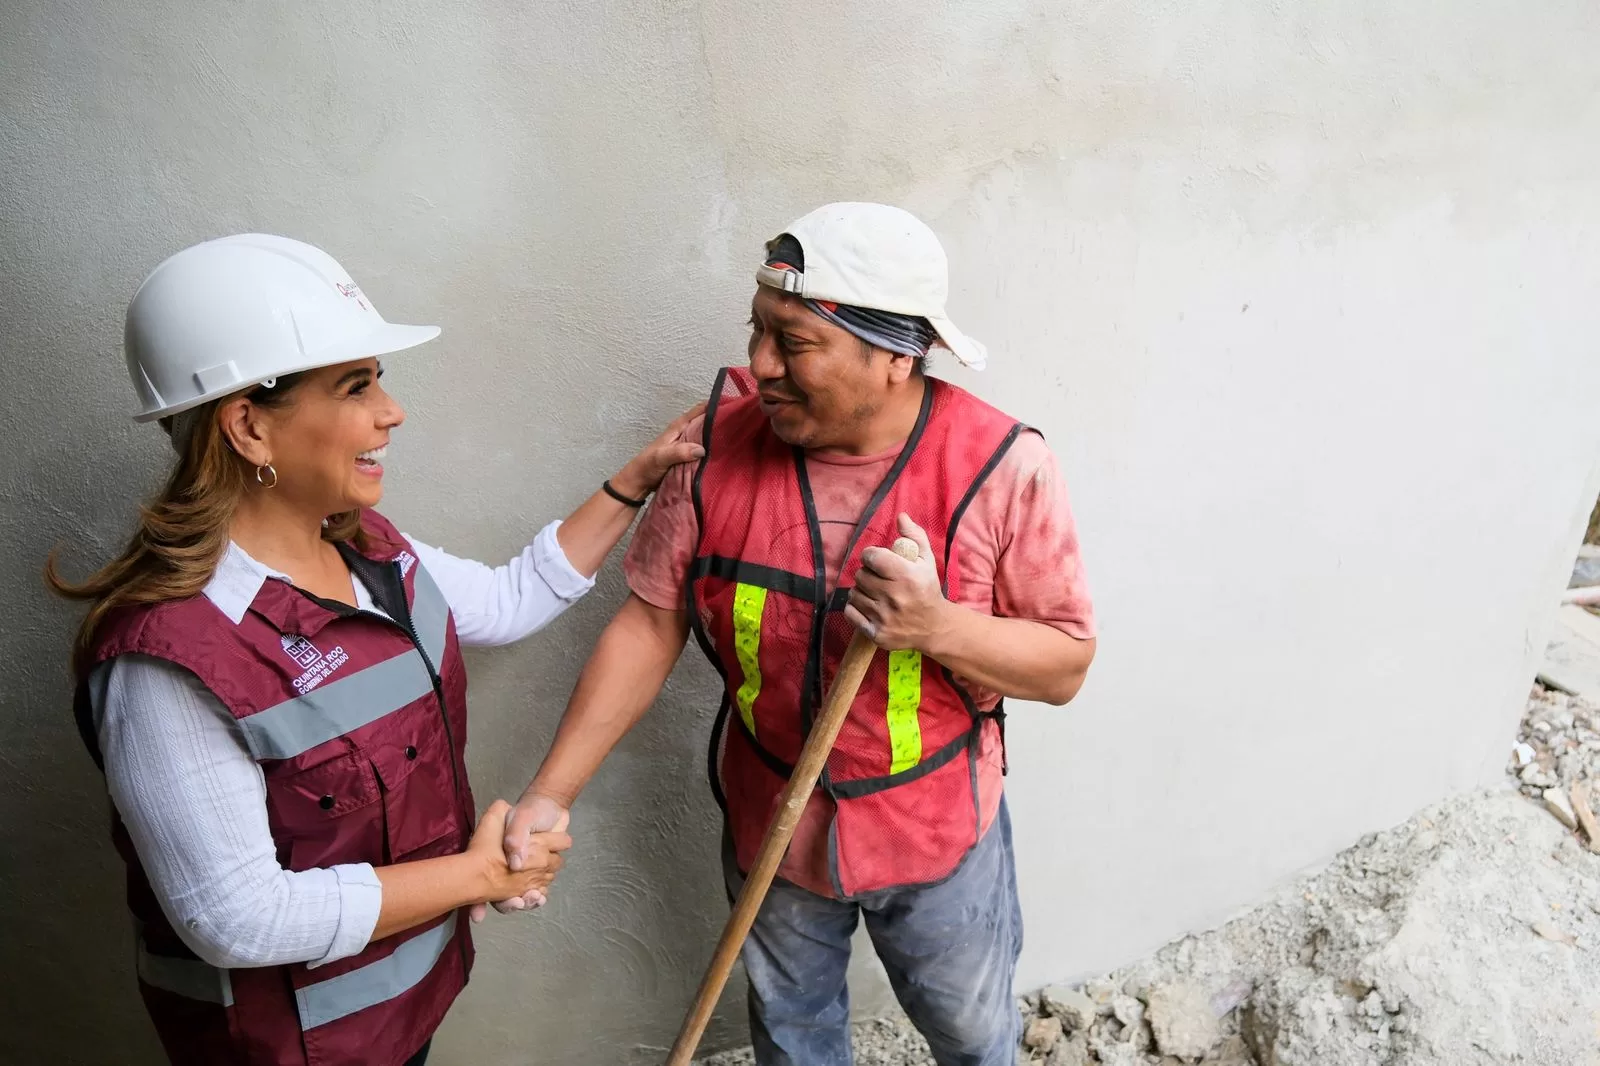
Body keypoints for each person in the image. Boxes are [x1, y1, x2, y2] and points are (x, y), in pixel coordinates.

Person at [46, 233, 701, 1066]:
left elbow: (508, 600)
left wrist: (635, 482)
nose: (392, 412)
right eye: (356, 387)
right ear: (247, 425)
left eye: (379, 381)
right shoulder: (166, 659)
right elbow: (234, 918)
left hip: (405, 1010)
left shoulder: (371, 553)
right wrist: (482, 876)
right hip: (290, 1050)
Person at [501, 203, 1098, 1065]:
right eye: (758, 332)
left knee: (972, 1036)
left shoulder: (1002, 468)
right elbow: (651, 620)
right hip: (770, 822)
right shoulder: (713, 450)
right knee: (791, 1037)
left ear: (898, 354)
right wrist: (552, 792)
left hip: (937, 827)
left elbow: (1066, 665)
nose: (761, 365)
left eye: (795, 342)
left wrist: (936, 625)